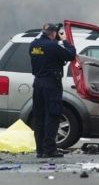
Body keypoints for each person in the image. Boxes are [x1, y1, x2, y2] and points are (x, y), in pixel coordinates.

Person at [29, 23, 76, 158]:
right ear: (54, 34)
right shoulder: (53, 46)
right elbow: (71, 54)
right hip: (51, 85)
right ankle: (49, 149)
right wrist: (65, 40)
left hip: (37, 84)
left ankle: (40, 150)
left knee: (39, 117)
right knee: (53, 115)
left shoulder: (33, 45)